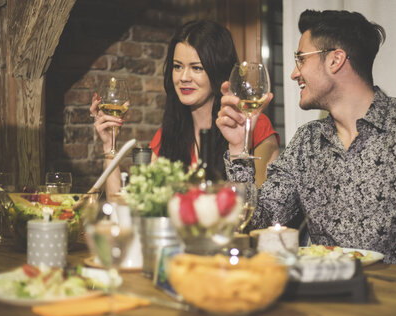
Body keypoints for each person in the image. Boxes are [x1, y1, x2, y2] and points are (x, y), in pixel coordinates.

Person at [216, 10, 396, 273]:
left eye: (301, 59)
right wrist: (239, 149)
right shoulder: (306, 143)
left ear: (335, 60)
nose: (294, 74)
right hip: (332, 306)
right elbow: (256, 223)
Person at [90, 20, 280, 196]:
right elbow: (127, 205)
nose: (183, 77)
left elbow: (255, 209)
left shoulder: (252, 126)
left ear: (217, 71)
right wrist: (110, 146)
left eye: (196, 68)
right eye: (178, 66)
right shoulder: (168, 135)